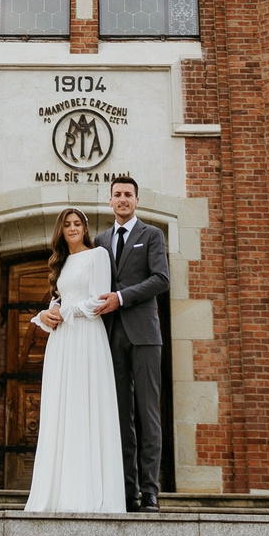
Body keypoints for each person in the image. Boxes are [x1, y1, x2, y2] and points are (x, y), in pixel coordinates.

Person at [22, 207, 122, 513]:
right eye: (67, 224)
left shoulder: (98, 256)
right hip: (62, 342)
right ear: (61, 231)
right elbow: (58, 300)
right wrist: (44, 314)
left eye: (78, 223)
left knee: (85, 406)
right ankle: (58, 492)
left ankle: (88, 493)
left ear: (85, 228)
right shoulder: (61, 264)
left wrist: (65, 312)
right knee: (62, 410)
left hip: (86, 338)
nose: (73, 228)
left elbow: (99, 301)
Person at [95, 175, 170, 511]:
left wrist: (122, 298)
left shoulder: (151, 235)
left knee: (147, 413)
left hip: (144, 335)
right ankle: (127, 491)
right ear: (110, 201)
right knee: (120, 416)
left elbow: (161, 279)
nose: (122, 199)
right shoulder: (100, 240)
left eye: (128, 195)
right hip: (111, 336)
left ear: (137, 200)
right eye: (117, 195)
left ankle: (151, 490)